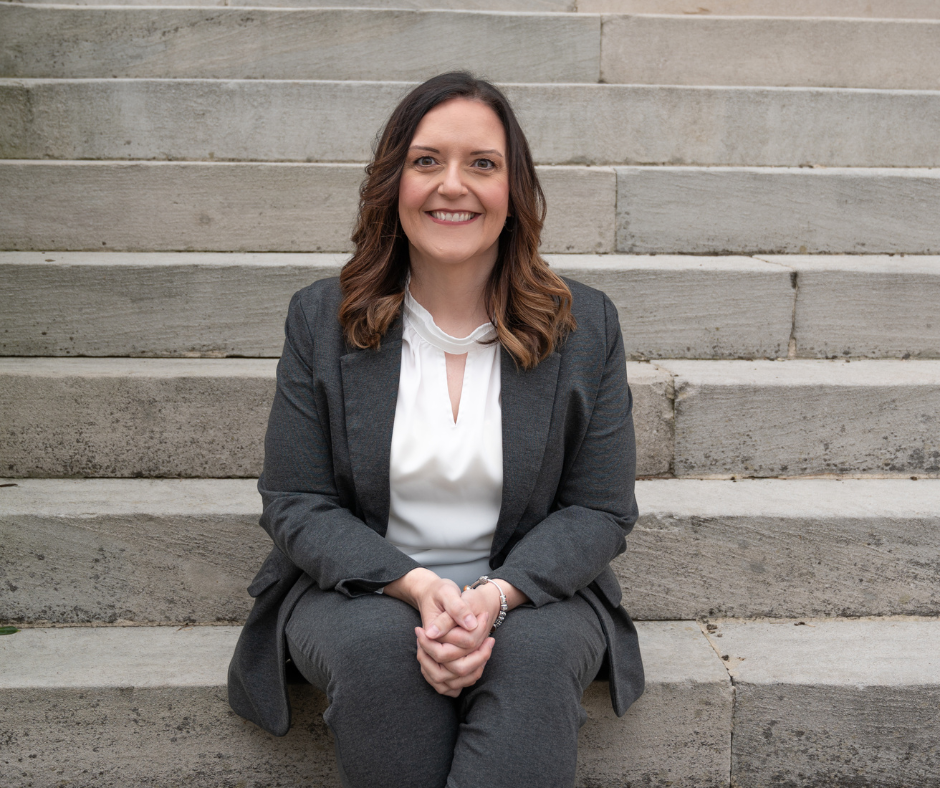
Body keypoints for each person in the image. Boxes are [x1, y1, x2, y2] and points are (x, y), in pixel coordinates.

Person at [228, 71, 644, 788]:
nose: (453, 185)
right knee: (378, 651)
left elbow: (601, 509)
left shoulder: (586, 326)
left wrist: (492, 598)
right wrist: (417, 588)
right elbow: (296, 500)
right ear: (395, 183)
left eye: (482, 164)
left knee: (537, 657)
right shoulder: (320, 320)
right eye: (427, 161)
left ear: (514, 192)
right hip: (358, 592)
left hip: (531, 592)